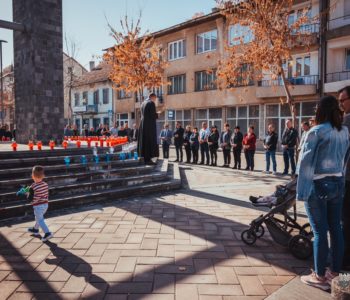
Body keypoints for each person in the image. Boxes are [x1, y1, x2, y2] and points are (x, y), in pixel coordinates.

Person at [298, 95, 349, 290]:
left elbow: (305, 164)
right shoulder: (343, 131)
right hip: (337, 182)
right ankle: (335, 273)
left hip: (318, 184)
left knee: (319, 232)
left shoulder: (316, 131)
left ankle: (319, 277)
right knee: (336, 229)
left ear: (320, 110)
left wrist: (301, 192)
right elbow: (344, 160)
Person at [339, 86, 350, 271]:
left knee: (345, 220)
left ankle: (343, 264)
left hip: (347, 177)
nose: (341, 105)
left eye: (343, 100)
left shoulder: (347, 120)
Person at [26, 166, 53, 242]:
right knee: (39, 218)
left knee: (40, 219)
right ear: (43, 175)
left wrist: (27, 193)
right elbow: (44, 193)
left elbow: (30, 198)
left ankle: (47, 233)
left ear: (33, 176)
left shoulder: (33, 186)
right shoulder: (45, 184)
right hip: (45, 205)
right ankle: (35, 229)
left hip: (38, 206)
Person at [137, 93, 160, 165]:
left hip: (143, 125)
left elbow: (144, 114)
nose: (155, 100)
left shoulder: (143, 103)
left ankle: (144, 157)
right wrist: (157, 114)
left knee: (144, 141)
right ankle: (148, 159)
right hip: (149, 126)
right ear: (152, 97)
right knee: (149, 141)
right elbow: (152, 115)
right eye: (155, 99)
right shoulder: (151, 103)